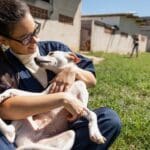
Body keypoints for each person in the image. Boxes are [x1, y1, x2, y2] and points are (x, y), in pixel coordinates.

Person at [0, 0, 121, 149]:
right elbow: (5, 109)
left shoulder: (55, 48)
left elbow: (91, 80)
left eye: (35, 30)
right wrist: (63, 99)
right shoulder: (5, 66)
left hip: (65, 128)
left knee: (109, 119)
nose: (35, 40)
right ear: (4, 40)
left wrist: (72, 70)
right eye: (26, 38)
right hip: (28, 133)